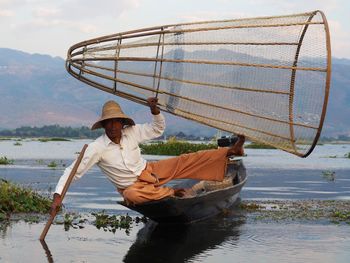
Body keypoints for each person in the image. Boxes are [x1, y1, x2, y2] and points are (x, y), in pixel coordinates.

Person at [50, 97, 244, 215]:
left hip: (149, 171)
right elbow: (72, 171)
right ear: (103, 125)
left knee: (185, 160)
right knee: (131, 195)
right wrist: (58, 197)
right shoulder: (96, 148)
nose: (112, 126)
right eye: (108, 123)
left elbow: (157, 129)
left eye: (115, 122)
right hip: (133, 186)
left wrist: (155, 111)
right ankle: (170, 193)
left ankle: (229, 151)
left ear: (121, 122)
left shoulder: (132, 132)